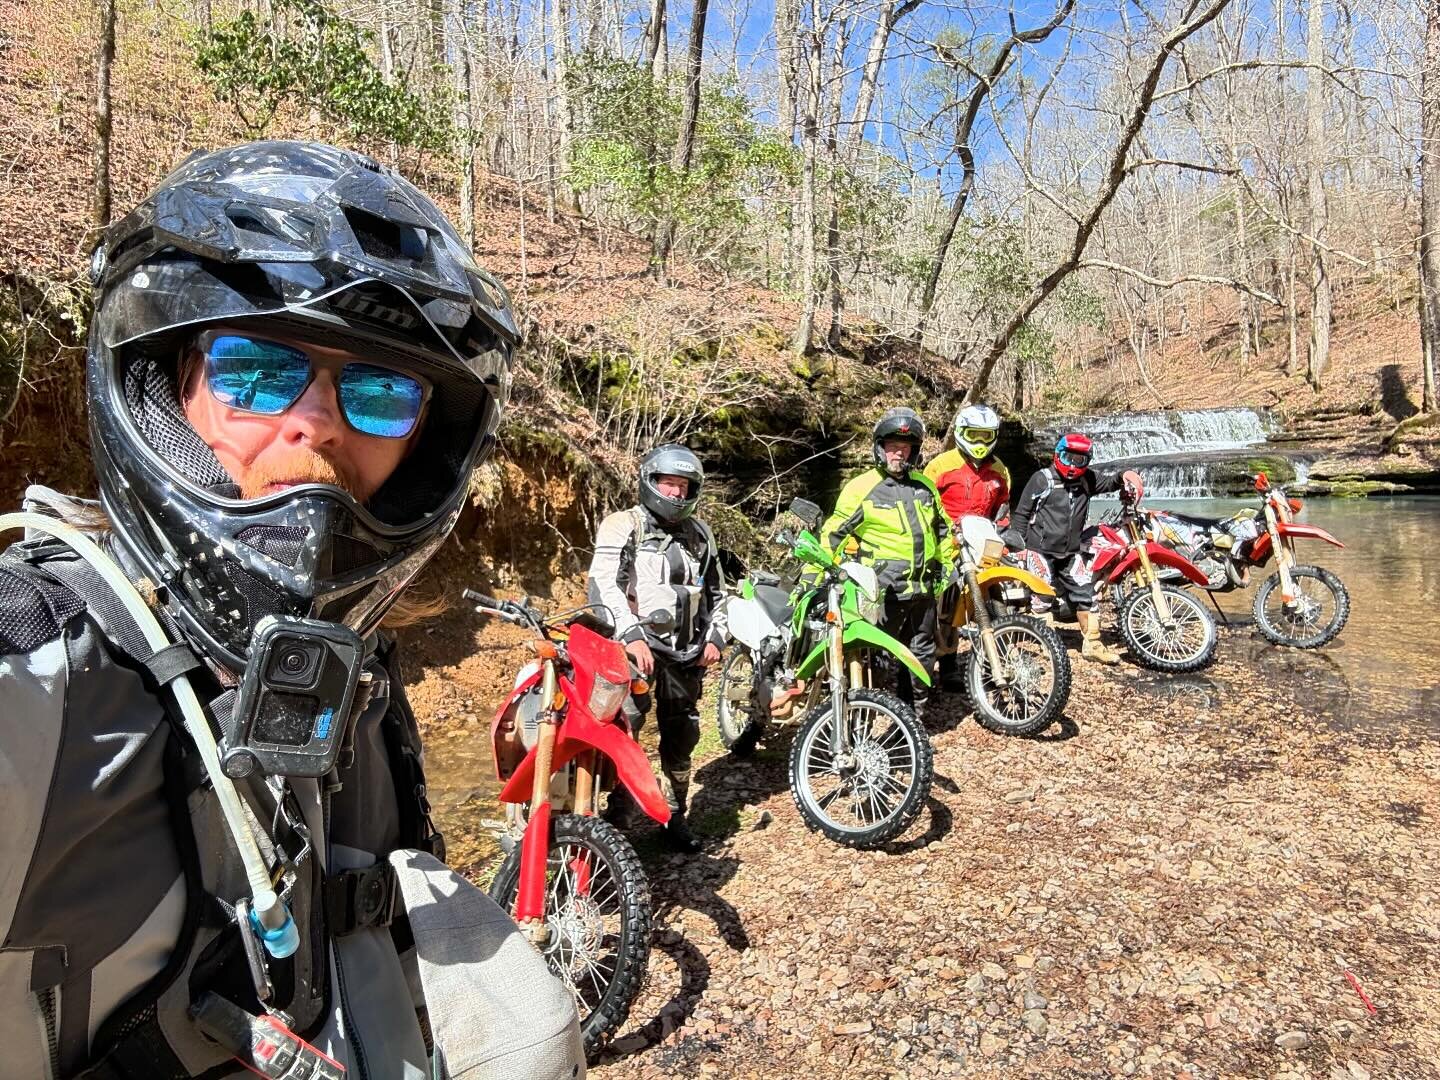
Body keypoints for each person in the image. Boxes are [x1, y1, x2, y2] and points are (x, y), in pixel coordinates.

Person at [0, 142, 584, 1078]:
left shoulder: (354, 686)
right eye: (258, 370)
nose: (316, 422)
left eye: (381, 390)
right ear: (163, 382)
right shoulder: (37, 673)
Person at [586, 444, 726, 854]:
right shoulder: (621, 525)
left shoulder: (700, 534)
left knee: (682, 737)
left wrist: (716, 638)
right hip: (633, 652)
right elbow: (602, 583)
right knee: (620, 733)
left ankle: (674, 814)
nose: (677, 494)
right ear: (650, 482)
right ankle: (614, 818)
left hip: (686, 655)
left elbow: (720, 593)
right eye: (670, 484)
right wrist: (630, 634)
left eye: (684, 486)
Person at [820, 407, 950, 721]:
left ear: (914, 451)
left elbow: (943, 529)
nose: (898, 453)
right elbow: (834, 532)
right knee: (873, 660)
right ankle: (860, 723)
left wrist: (946, 566)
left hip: (924, 589)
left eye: (904, 448)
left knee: (919, 657)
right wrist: (819, 571)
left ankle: (910, 722)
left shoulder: (925, 486)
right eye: (892, 447)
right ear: (880, 448)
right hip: (882, 592)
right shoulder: (861, 486)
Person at [1002, 431, 1134, 664]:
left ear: (1087, 461)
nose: (1073, 465)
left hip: (1071, 552)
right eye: (1068, 458)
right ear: (1057, 455)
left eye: (1079, 460)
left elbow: (1111, 482)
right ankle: (1045, 642)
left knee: (1086, 592)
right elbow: (1022, 513)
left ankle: (1093, 644)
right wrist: (1018, 546)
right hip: (1039, 551)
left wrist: (1126, 475)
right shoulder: (1042, 479)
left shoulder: (1088, 480)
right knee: (1041, 596)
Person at [924, 404, 1010, 689]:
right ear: (961, 433)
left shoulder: (999, 470)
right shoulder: (940, 466)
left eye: (987, 436)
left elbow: (1002, 508)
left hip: (983, 542)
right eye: (974, 434)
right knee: (945, 608)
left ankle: (996, 658)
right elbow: (923, 505)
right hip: (946, 546)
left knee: (994, 601)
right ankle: (947, 666)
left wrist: (1003, 532)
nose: (980, 442)